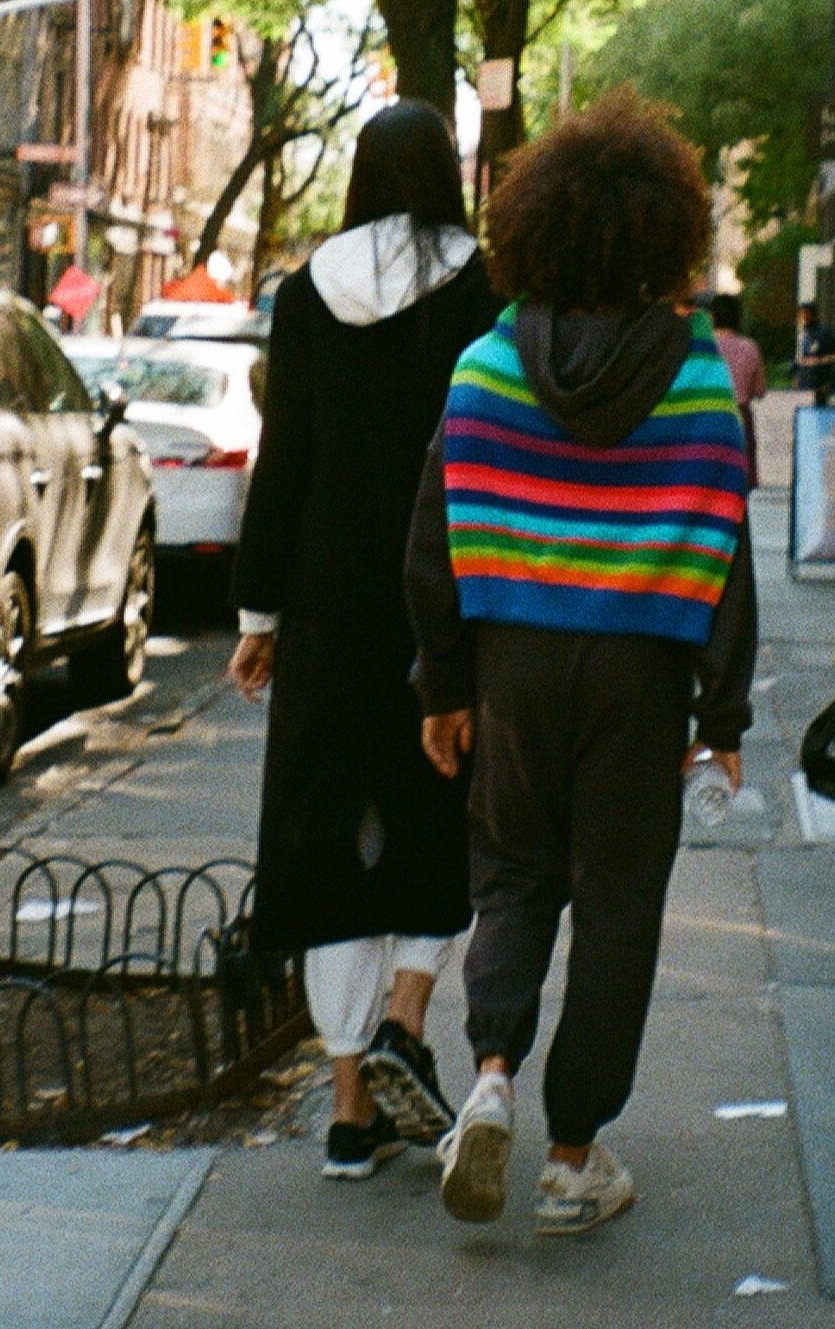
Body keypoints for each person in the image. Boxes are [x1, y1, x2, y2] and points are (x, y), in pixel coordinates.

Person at [405, 91, 758, 1236]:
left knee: (509, 878)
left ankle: (493, 1071)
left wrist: (444, 686)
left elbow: (432, 540)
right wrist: (724, 716)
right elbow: (722, 553)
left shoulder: (486, 368)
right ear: (666, 231)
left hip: (510, 666)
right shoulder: (701, 378)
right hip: (637, 676)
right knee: (616, 905)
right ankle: (571, 1154)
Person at [227, 99, 498, 1181]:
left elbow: (281, 455)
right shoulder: (486, 289)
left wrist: (259, 615)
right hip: (447, 600)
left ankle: (347, 1113)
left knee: (329, 838)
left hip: (328, 603)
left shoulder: (305, 293)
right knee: (451, 821)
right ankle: (408, 1018)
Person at [709, 292, 767, 488]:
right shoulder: (749, 347)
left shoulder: (704, 346)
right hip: (739, 416)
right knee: (739, 481)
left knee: (710, 478)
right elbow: (760, 390)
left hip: (708, 415)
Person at [795, 301, 835, 405]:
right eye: (800, 315)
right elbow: (802, 360)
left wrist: (831, 381)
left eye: (805, 314)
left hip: (821, 387)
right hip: (805, 387)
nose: (802, 318)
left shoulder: (824, 332)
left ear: (812, 315)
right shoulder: (804, 336)